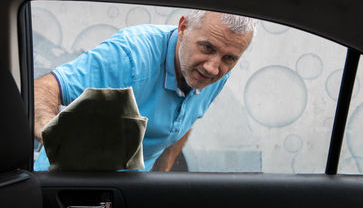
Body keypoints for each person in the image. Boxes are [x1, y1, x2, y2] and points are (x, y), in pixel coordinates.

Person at [34, 10, 256, 172]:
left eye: (229, 58)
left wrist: (159, 183)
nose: (212, 67)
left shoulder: (217, 74)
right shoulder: (130, 56)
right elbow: (44, 88)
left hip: (131, 193)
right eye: (207, 47)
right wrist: (59, 140)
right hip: (69, 188)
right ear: (183, 28)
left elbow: (185, 119)